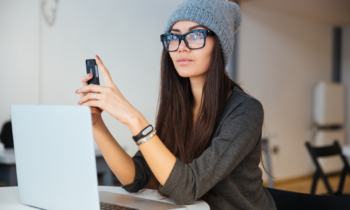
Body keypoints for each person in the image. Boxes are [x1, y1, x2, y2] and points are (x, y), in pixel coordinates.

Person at [75, 0, 277, 209]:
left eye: (195, 35)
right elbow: (136, 178)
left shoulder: (245, 111)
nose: (181, 47)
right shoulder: (178, 108)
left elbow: (188, 189)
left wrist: (133, 119)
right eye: (174, 37)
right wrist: (96, 124)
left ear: (219, 44)